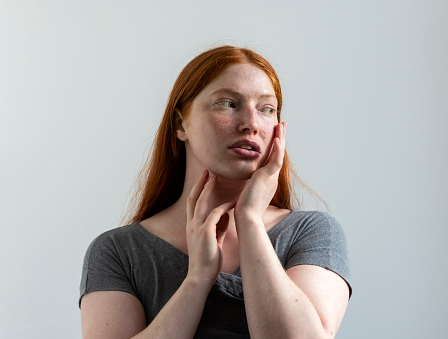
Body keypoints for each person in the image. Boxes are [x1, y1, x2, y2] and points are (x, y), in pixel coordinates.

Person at [79, 45, 352, 338]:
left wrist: (249, 221)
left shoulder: (312, 232)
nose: (251, 123)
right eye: (228, 104)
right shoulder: (118, 252)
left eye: (266, 109)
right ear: (180, 124)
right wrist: (197, 280)